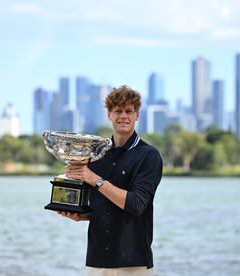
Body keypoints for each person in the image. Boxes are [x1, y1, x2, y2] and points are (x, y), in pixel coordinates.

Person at [60, 85, 163, 276]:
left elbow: (136, 204)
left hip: (133, 264)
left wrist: (95, 180)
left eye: (128, 111)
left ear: (137, 116)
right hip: (96, 262)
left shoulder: (149, 156)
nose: (123, 116)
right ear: (109, 115)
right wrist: (80, 214)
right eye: (117, 111)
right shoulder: (96, 156)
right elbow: (101, 207)